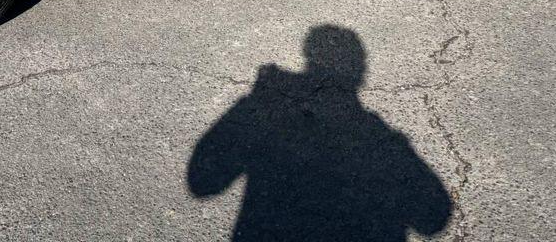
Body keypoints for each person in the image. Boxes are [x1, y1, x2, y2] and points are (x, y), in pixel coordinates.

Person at [188, 24, 452, 241]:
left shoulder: (267, 107)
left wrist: (253, 105)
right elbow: (432, 218)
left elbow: (203, 181)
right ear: (359, 72)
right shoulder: (379, 138)